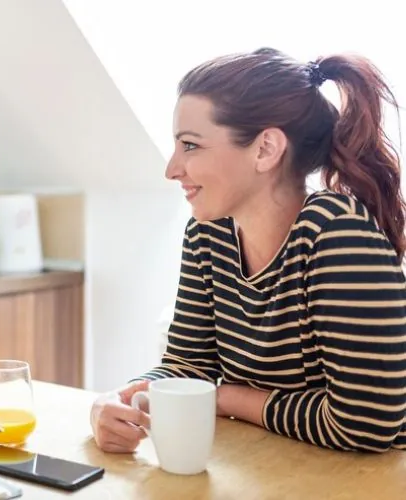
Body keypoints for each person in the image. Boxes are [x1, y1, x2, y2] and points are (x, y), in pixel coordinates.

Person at [91, 47, 406, 453]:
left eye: (190, 145)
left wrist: (227, 398)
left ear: (265, 149)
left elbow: (365, 425)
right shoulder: (209, 234)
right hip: (278, 469)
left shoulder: (334, 233)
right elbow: (188, 367)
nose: (171, 168)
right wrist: (118, 401)